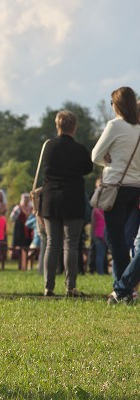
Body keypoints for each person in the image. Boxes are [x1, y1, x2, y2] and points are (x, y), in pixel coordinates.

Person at [91, 87, 140, 302]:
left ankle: (122, 287)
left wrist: (107, 161)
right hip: (135, 187)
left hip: (115, 186)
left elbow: (95, 154)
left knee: (113, 237)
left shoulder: (114, 125)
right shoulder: (139, 128)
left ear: (117, 105)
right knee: (123, 238)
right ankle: (123, 289)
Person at [38, 110, 93, 297]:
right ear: (74, 127)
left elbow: (44, 168)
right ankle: (70, 287)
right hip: (72, 199)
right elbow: (88, 168)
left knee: (52, 243)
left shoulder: (48, 146)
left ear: (57, 125)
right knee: (71, 244)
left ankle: (48, 287)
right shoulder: (80, 149)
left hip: (51, 198)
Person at [9, 193, 33, 270]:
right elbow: (12, 218)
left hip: (29, 229)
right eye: (24, 200)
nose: (26, 201)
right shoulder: (18, 208)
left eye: (27, 200)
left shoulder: (31, 208)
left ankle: (27, 265)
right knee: (20, 246)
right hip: (20, 229)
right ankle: (21, 265)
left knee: (27, 246)